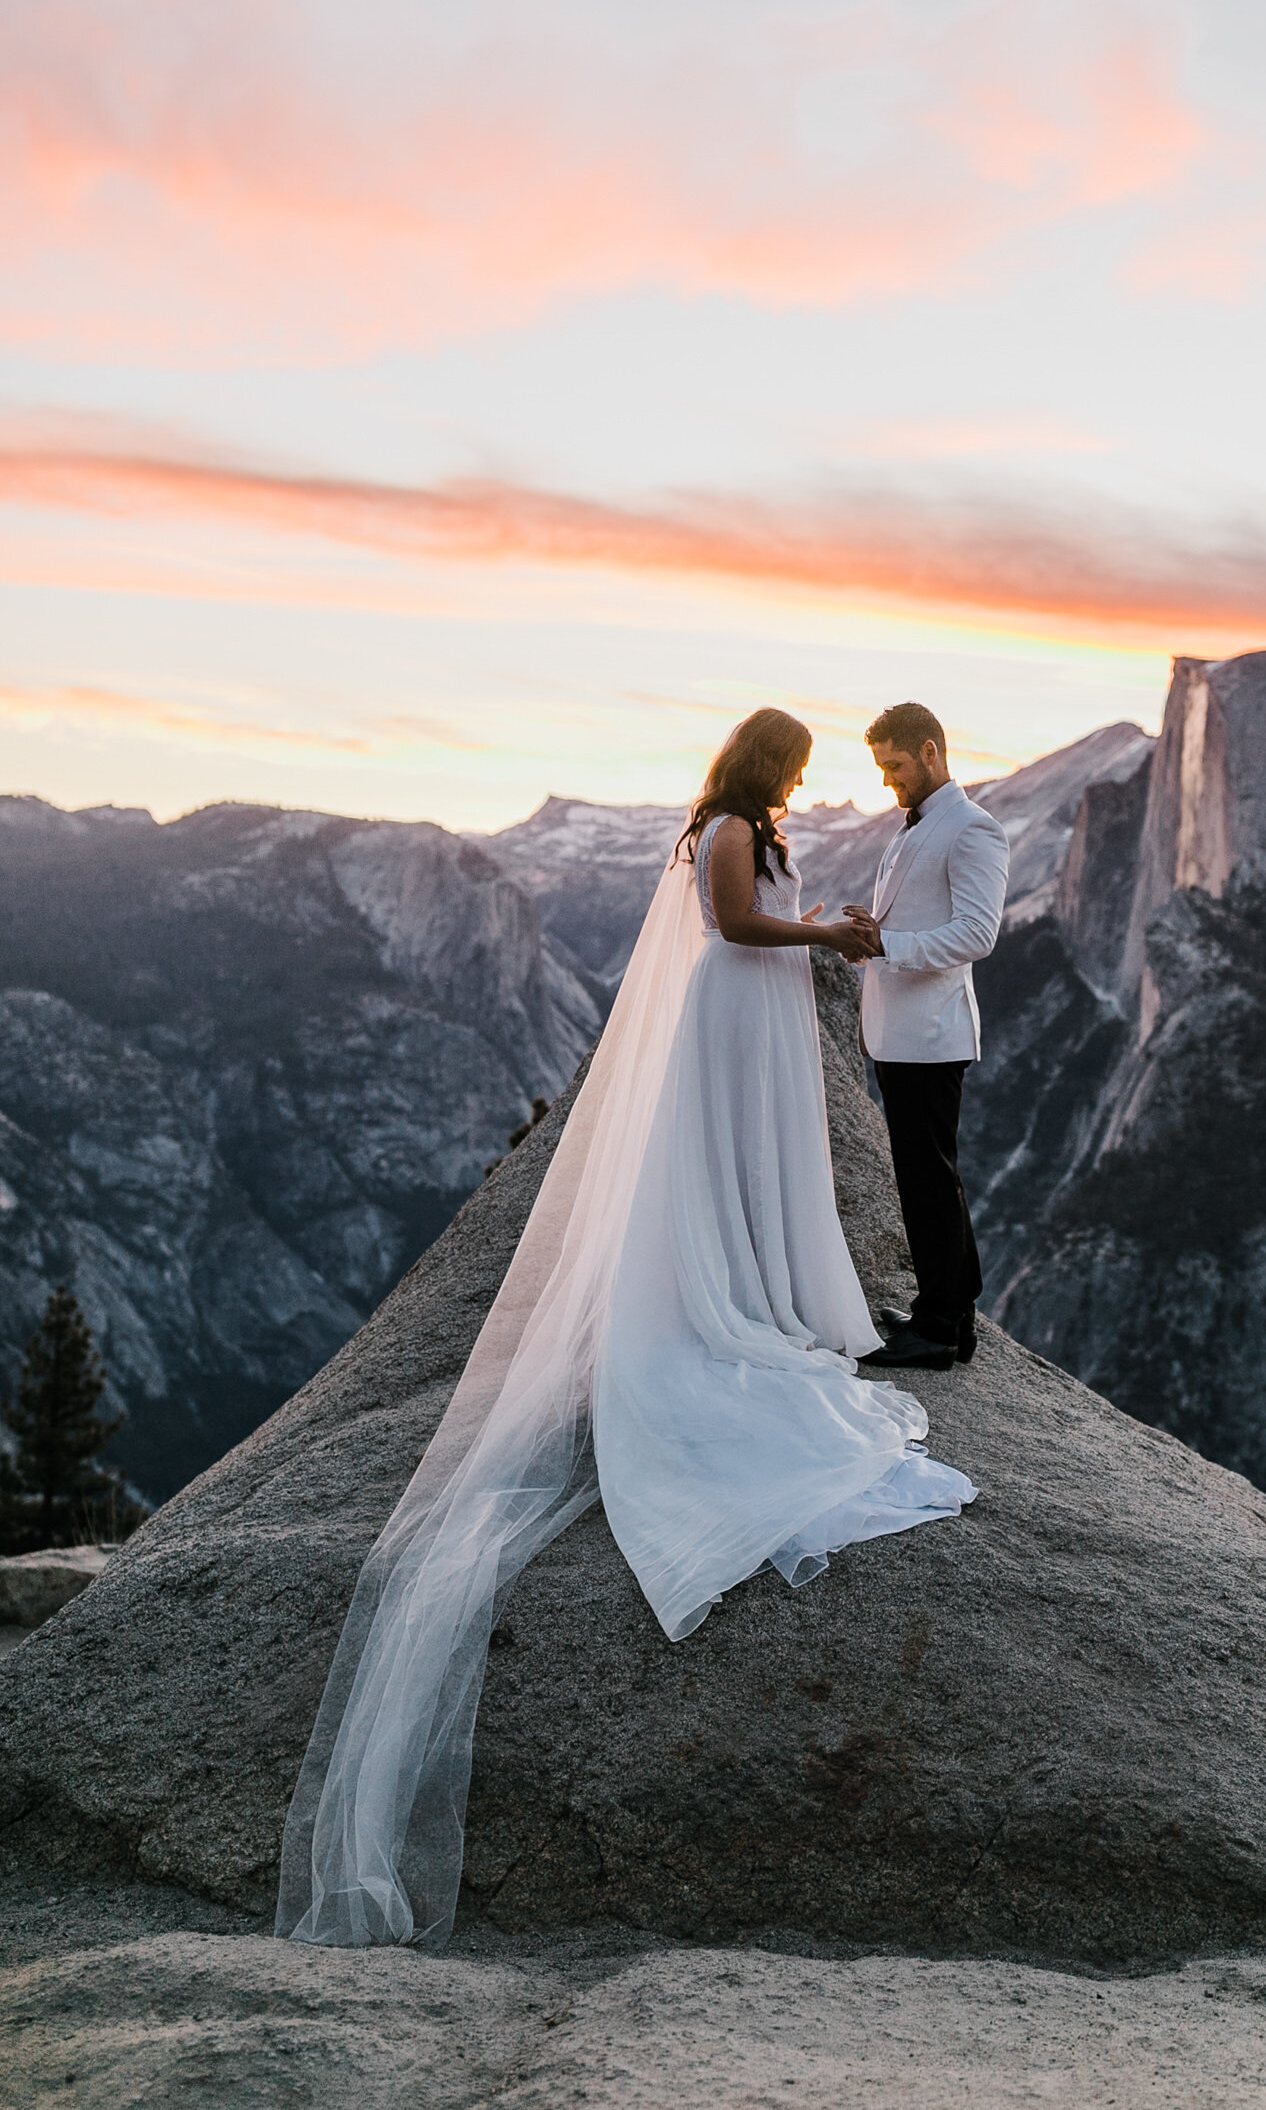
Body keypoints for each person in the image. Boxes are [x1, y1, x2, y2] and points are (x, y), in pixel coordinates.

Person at [275, 707, 975, 1952]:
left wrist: (829, 935)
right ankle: (725, 1294)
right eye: (802, 761)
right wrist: (828, 932)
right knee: (717, 1170)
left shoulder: (757, 821)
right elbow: (734, 926)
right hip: (736, 1000)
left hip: (767, 1012)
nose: (814, 778)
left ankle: (765, 1280)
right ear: (766, 762)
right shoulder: (719, 831)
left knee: (772, 1169)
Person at [846, 703, 1010, 1374]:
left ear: (932, 752)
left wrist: (888, 942)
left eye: (896, 765)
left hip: (932, 1036)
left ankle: (940, 1328)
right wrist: (873, 930)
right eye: (881, 767)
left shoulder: (973, 830)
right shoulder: (915, 829)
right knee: (928, 1177)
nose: (888, 780)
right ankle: (948, 1315)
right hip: (901, 1030)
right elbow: (913, 917)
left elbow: (978, 934)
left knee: (928, 1181)